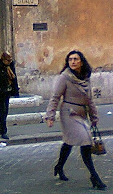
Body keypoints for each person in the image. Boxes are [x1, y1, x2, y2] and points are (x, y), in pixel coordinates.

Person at [45, 50, 107, 190]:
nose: (72, 62)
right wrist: (50, 116)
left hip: (82, 113)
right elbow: (55, 97)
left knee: (69, 142)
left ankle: (59, 166)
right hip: (69, 113)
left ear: (81, 61)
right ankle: (94, 177)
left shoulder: (85, 78)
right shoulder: (64, 77)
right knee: (85, 141)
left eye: (75, 59)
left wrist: (94, 116)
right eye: (70, 59)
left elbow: (89, 99)